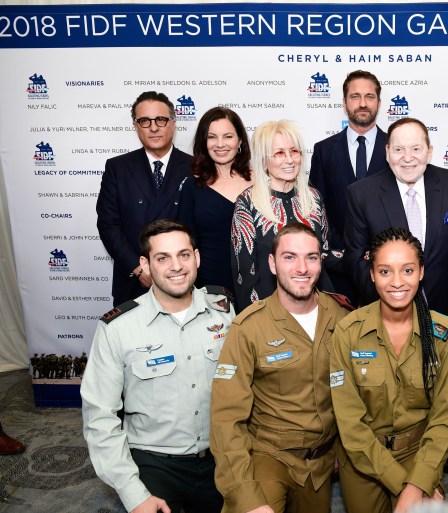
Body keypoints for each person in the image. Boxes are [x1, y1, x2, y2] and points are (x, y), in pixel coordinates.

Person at [81, 219, 235, 513]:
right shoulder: (117, 328)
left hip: (223, 457)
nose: (176, 266)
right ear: (145, 265)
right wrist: (133, 493)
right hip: (155, 463)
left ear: (197, 257)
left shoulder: (225, 312)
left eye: (184, 254)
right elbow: (100, 416)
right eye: (162, 258)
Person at [210, 223, 351, 513]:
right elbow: (226, 419)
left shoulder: (342, 317)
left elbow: (353, 392)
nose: (302, 268)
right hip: (269, 455)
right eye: (289, 257)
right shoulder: (249, 327)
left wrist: (342, 449)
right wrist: (245, 496)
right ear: (272, 264)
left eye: (311, 257)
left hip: (321, 462)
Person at [331, 227, 448, 513]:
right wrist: (406, 486)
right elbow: (350, 425)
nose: (397, 282)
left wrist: (419, 482)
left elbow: (444, 419)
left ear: (421, 272)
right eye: (385, 271)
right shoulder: (348, 332)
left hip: (420, 455)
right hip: (363, 460)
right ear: (372, 275)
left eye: (407, 270)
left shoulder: (442, 334)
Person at [345, 117, 448, 333]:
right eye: (399, 149)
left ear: (429, 151)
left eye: (416, 148)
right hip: (386, 315)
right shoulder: (361, 194)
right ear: (387, 152)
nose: (408, 158)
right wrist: (390, 299)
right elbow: (355, 257)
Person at [231, 120, 339, 313]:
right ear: (264, 160)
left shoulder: (313, 198)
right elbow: (244, 274)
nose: (289, 160)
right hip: (269, 311)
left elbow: (324, 253)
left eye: (294, 151)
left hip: (317, 307)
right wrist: (256, 319)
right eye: (279, 153)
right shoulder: (247, 203)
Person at [96, 91, 193, 306]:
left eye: (160, 119)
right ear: (135, 125)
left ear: (173, 123)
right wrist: (139, 269)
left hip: (183, 280)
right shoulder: (117, 168)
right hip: (133, 282)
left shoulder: (195, 167)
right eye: (144, 121)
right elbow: (108, 224)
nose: (153, 127)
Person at [310, 70, 389, 302]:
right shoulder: (324, 151)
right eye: (355, 97)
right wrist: (338, 249)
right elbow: (317, 207)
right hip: (338, 268)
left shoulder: (395, 149)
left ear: (379, 103)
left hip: (385, 268)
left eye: (369, 96)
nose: (362, 103)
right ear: (344, 103)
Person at [179, 107, 252, 294]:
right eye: (212, 137)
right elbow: (186, 241)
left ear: (240, 140)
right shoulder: (192, 186)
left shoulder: (262, 182)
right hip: (210, 287)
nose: (220, 144)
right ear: (204, 142)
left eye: (228, 136)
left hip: (258, 282)